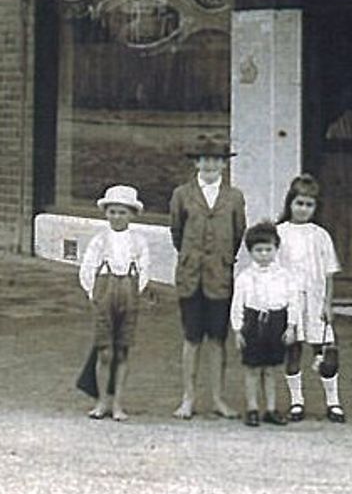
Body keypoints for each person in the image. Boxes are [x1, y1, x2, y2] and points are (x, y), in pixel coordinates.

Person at [167, 132, 246, 419]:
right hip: (191, 276)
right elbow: (177, 231)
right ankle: (188, 398)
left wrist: (222, 259)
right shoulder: (182, 195)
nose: (210, 165)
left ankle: (217, 399)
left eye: (216, 160)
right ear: (196, 163)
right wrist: (192, 256)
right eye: (205, 159)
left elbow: (238, 234)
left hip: (220, 277)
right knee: (192, 338)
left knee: (217, 339)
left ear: (224, 165)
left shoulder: (234, 197)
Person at [77, 184, 155, 421]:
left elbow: (145, 269)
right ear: (106, 213)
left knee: (122, 350)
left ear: (132, 214)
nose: (117, 217)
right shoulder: (100, 240)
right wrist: (95, 294)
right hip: (105, 290)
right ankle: (101, 401)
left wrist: (136, 291)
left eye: (122, 212)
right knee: (105, 351)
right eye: (112, 212)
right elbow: (88, 268)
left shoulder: (138, 241)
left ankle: (118, 403)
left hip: (128, 292)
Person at [276, 174, 347, 422]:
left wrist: (328, 303)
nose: (303, 209)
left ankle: (333, 402)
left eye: (309, 204)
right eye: (299, 203)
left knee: (325, 351)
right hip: (291, 302)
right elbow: (274, 271)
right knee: (293, 350)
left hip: (316, 300)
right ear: (290, 204)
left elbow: (329, 273)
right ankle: (297, 401)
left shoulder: (320, 235)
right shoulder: (280, 233)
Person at [232, 220, 300, 425]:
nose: (264, 254)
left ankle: (270, 409)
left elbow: (293, 301)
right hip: (253, 322)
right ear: (251, 251)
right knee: (252, 369)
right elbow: (237, 304)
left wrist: (290, 326)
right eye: (258, 250)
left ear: (276, 249)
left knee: (271, 369)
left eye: (268, 249)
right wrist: (237, 330)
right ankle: (252, 408)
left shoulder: (285, 276)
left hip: (276, 322)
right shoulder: (245, 277)